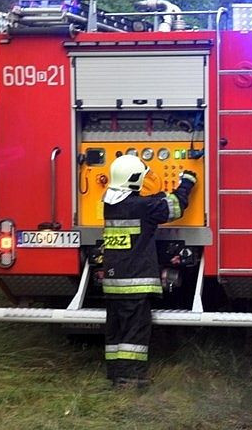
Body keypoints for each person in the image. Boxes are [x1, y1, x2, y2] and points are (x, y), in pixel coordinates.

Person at [101, 154, 195, 388]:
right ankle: (131, 377)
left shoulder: (110, 205)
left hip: (114, 282)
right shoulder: (144, 207)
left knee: (116, 331)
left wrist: (157, 197)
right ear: (134, 179)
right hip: (135, 282)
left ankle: (115, 373)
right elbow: (173, 207)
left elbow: (144, 206)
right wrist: (187, 183)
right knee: (135, 331)